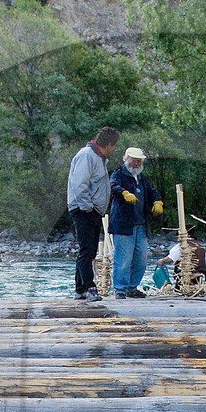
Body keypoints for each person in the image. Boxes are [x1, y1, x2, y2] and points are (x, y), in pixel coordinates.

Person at [67, 126, 119, 299]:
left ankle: (80, 288)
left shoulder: (99, 158)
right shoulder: (87, 155)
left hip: (92, 209)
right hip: (83, 209)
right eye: (114, 146)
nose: (114, 149)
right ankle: (89, 287)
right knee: (87, 248)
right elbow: (79, 183)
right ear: (109, 144)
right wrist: (87, 206)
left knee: (88, 250)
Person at [108, 147, 163, 297]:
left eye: (139, 161)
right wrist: (124, 193)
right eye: (133, 160)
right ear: (126, 159)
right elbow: (113, 186)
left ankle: (132, 287)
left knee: (141, 259)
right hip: (123, 225)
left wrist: (158, 201)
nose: (136, 163)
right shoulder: (118, 174)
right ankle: (120, 289)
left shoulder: (141, 177)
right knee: (123, 260)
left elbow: (152, 191)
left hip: (141, 224)